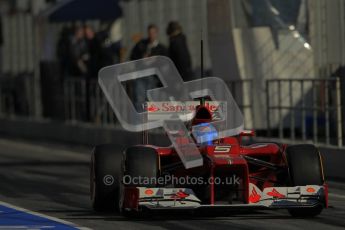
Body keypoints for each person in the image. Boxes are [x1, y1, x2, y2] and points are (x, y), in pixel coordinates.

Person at [130, 24, 167, 111]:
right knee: (139, 100)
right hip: (141, 76)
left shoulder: (162, 48)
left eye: (153, 33)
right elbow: (133, 57)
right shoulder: (141, 44)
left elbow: (165, 63)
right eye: (150, 33)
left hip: (154, 78)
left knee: (152, 101)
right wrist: (142, 58)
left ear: (157, 33)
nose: (151, 35)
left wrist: (155, 60)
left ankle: (152, 121)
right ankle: (141, 120)